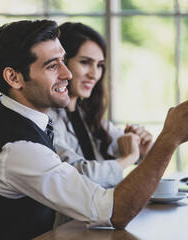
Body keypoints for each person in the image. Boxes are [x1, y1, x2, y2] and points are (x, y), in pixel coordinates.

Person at [0, 19, 188, 240]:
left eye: (63, 60)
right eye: (52, 66)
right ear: (13, 78)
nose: (67, 74)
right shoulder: (19, 149)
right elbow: (116, 212)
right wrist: (169, 138)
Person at [47, 22, 153, 189]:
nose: (94, 74)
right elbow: (77, 174)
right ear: (62, 62)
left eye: (100, 65)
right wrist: (130, 157)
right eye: (85, 62)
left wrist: (142, 146)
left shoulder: (86, 115)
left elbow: (126, 142)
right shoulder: (47, 120)